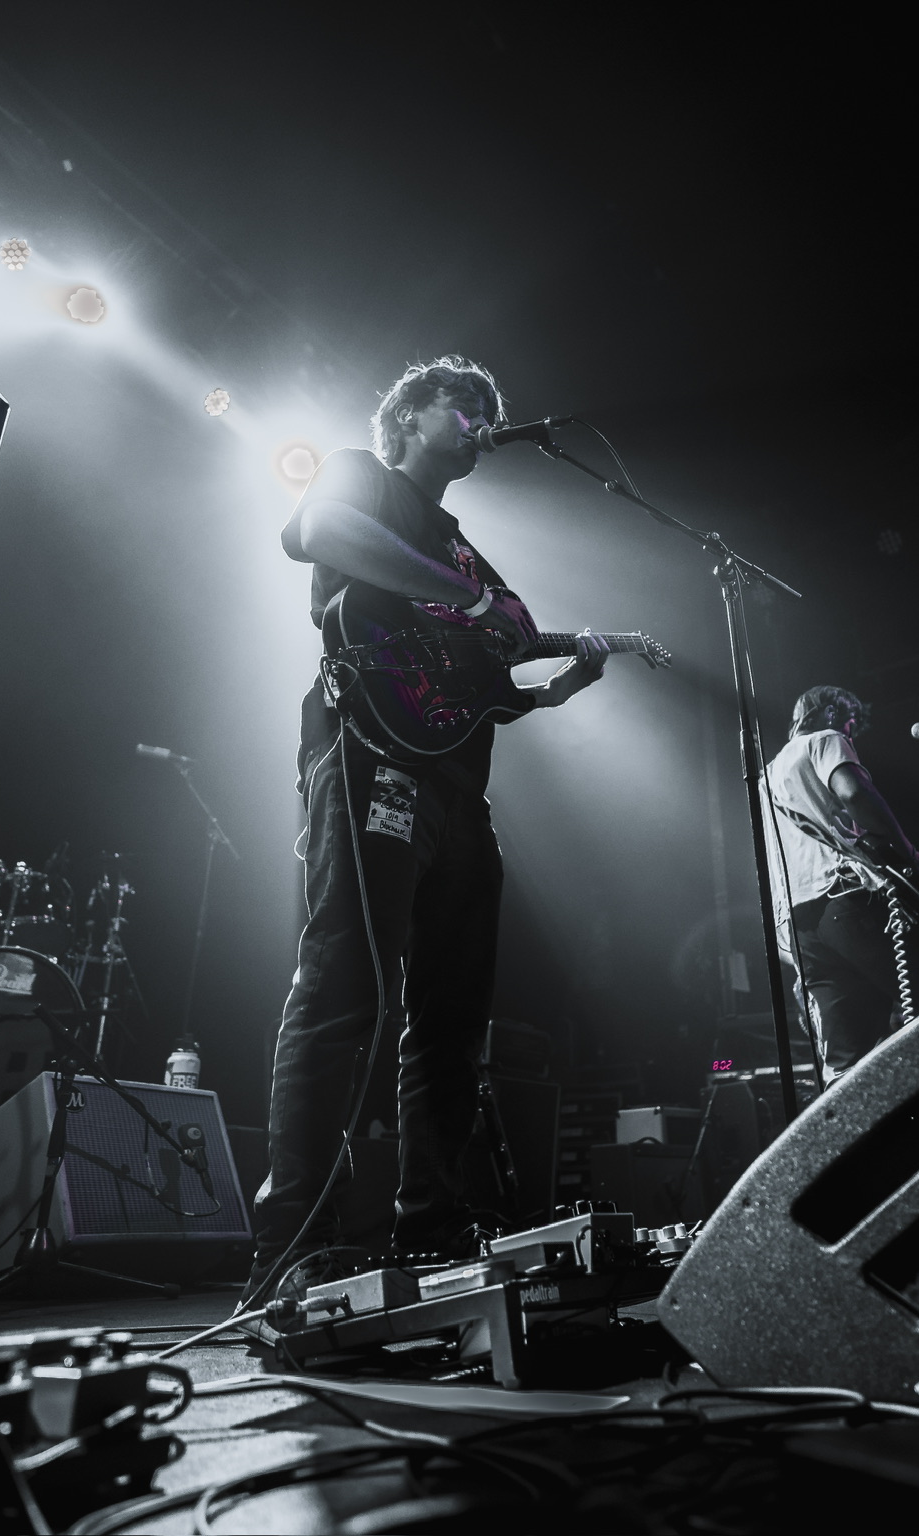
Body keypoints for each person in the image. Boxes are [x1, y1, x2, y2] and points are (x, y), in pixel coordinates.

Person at [245, 356, 609, 1305]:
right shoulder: (359, 476)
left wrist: (564, 666)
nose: (486, 424)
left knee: (452, 1018)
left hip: (455, 785)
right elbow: (320, 533)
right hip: (368, 753)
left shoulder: (457, 542)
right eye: (469, 407)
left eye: (495, 410)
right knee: (344, 988)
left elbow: (499, 659)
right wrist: (479, 603)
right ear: (407, 414)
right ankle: (291, 1251)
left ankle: (435, 1227)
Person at [763, 686, 919, 1080]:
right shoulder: (825, 741)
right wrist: (908, 851)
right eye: (850, 721)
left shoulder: (764, 778)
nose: (851, 733)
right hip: (843, 896)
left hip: (798, 927)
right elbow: (855, 792)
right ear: (829, 713)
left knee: (845, 1063)